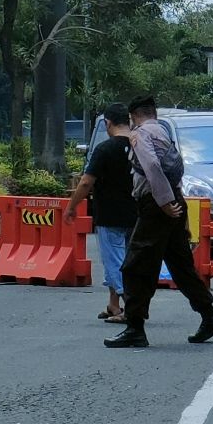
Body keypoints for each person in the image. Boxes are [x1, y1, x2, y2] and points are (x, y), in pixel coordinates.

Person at [105, 96, 213, 349]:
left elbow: (151, 166)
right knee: (181, 265)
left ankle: (135, 327)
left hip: (157, 205)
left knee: (134, 266)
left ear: (133, 116)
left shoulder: (140, 135)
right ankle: (210, 316)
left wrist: (163, 202)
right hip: (175, 201)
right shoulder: (162, 131)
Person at [64, 103, 137, 323]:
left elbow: (86, 182)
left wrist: (71, 206)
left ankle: (132, 308)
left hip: (110, 215)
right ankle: (114, 305)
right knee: (127, 260)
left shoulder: (105, 149)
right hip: (135, 214)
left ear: (108, 123)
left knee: (114, 262)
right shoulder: (138, 147)